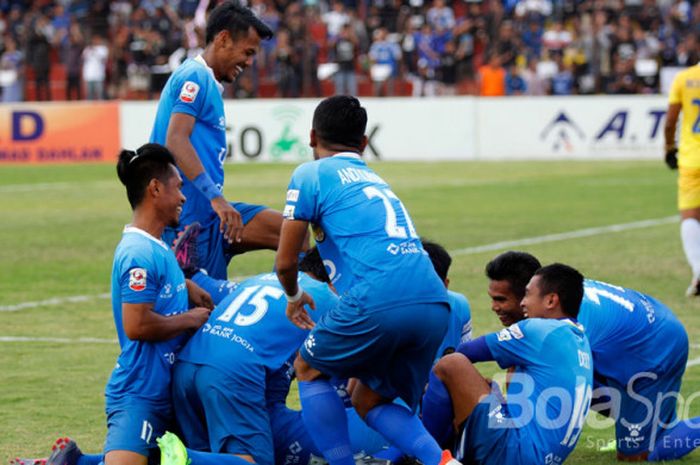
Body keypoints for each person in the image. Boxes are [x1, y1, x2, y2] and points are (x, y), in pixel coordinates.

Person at [275, 95, 458, 465]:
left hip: (381, 299)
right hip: (436, 302)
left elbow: (284, 262)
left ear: (312, 136)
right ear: (362, 143)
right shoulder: (375, 179)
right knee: (367, 397)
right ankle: (443, 462)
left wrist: (294, 294)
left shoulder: (311, 173)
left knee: (307, 368)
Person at [483, 251, 700, 461]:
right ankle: (638, 423)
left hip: (656, 347)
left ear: (528, 295)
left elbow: (568, 384)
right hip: (637, 333)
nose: (494, 307)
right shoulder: (554, 299)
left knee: (636, 455)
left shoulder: (564, 320)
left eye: (501, 299)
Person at [150, 1, 286, 281]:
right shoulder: (195, 77)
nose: (249, 62)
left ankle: (282, 310)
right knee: (204, 317)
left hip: (212, 218)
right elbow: (175, 139)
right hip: (188, 226)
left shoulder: (208, 82)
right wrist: (216, 198)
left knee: (290, 233)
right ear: (223, 38)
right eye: (247, 52)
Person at [170, 247, 338, 465]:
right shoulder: (325, 297)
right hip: (232, 374)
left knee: (211, 455)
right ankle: (179, 460)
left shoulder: (259, 280)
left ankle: (174, 458)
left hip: (187, 366)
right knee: (250, 461)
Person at [422, 263, 593, 465]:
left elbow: (467, 352)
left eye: (528, 294)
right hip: (538, 456)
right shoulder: (580, 340)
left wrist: (430, 382)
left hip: (517, 452)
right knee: (488, 387)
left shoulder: (539, 329)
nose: (523, 302)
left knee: (451, 365)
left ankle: (424, 455)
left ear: (551, 300)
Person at [664, 62, 700, 296]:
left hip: (691, 159)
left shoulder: (684, 78)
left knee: (690, 217)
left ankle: (699, 271)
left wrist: (669, 147)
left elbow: (670, 121)